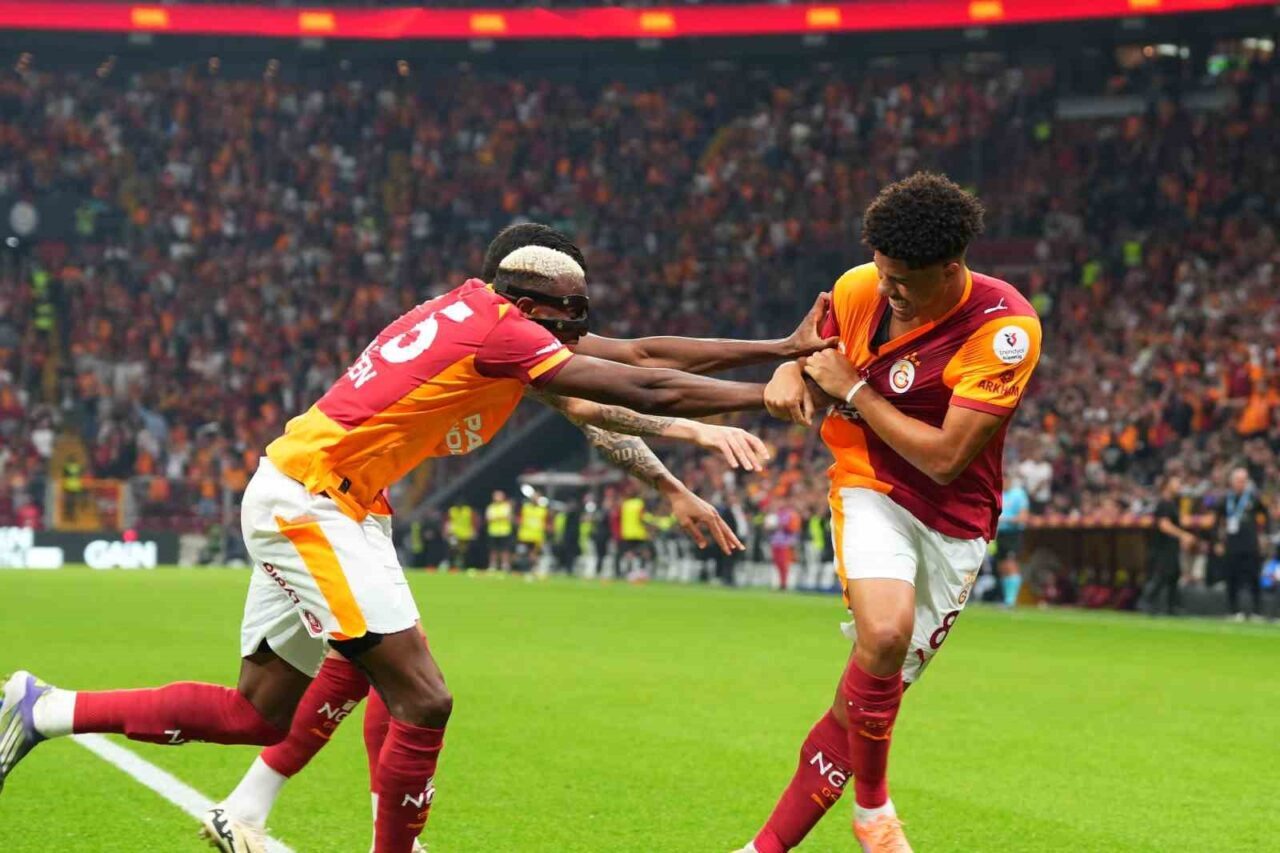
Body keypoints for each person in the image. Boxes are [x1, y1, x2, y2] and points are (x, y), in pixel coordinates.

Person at [0, 225, 786, 853]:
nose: (578, 328)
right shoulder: (502, 335)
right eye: (569, 313)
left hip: (331, 500)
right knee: (422, 694)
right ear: (526, 300)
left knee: (260, 711)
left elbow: (640, 362)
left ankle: (48, 708)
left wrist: (782, 352)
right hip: (312, 503)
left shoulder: (479, 318)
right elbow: (638, 379)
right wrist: (766, 396)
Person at [743, 172, 1042, 853]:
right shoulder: (859, 288)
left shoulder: (1005, 329)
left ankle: (763, 849)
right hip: (869, 484)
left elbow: (946, 458)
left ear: (951, 268)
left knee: (855, 706)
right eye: (880, 271)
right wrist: (788, 370)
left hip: (955, 519)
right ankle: (874, 807)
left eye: (902, 280)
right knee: (883, 634)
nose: (886, 289)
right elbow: (808, 352)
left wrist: (854, 391)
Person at [1213, 466, 1268, 621]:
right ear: (1232, 482)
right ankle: (1234, 611)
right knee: (1232, 578)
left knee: (1253, 578)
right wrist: (1217, 541)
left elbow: (1266, 515)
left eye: (1243, 481)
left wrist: (1264, 535)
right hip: (1232, 545)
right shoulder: (1226, 499)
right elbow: (1216, 522)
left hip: (1251, 545)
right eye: (1238, 480)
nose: (1241, 483)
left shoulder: (1253, 498)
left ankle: (1257, 612)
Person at [1144, 475, 1197, 616]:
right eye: (1176, 483)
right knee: (1161, 576)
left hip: (1171, 546)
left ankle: (1172, 607)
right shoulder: (1164, 503)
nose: (1179, 485)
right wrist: (1183, 535)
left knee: (1174, 575)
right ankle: (1146, 602)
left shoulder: (1173, 503)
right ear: (1167, 485)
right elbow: (1164, 525)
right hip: (1162, 547)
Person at [995, 476, 1031, 607]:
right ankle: (1006, 599)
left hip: (1013, 533)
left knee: (1011, 564)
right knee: (1002, 566)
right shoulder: (998, 494)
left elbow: (1023, 517)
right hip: (1000, 534)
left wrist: (1005, 519)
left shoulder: (1018, 494)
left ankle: (1011, 600)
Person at [516, 492, 549, 573]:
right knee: (522, 553)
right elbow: (519, 519)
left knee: (534, 553)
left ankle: (533, 569)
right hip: (525, 535)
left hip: (536, 536)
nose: (535, 499)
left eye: (536, 498)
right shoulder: (525, 508)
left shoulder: (543, 510)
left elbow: (547, 523)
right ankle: (521, 568)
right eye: (533, 498)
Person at [484, 490, 515, 572]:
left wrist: (496, 518)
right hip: (493, 531)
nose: (497, 498)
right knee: (493, 550)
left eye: (499, 496)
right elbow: (488, 518)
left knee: (505, 549)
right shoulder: (491, 507)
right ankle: (493, 565)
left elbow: (509, 517)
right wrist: (500, 517)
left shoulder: (506, 506)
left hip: (504, 531)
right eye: (496, 496)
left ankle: (505, 565)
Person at [443, 503, 476, 571]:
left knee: (463, 551)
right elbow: (447, 521)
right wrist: (446, 531)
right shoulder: (452, 510)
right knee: (453, 549)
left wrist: (473, 530)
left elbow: (473, 521)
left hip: (465, 534)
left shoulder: (467, 510)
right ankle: (452, 565)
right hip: (454, 534)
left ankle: (462, 566)